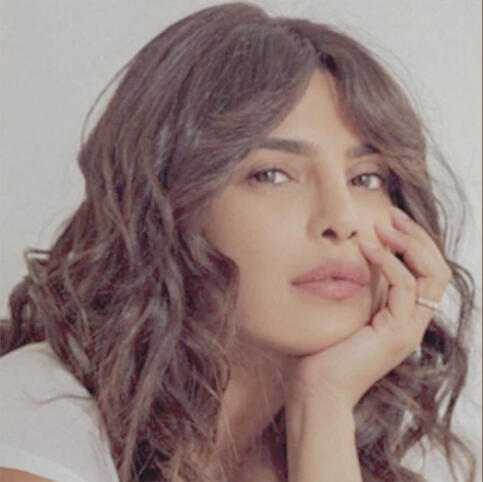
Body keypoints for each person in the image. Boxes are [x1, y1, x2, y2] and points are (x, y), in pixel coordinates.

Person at [0, 2, 477, 481]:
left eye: (366, 178)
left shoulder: (357, 449)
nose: (341, 218)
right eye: (272, 175)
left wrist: (323, 403)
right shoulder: (35, 414)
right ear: (168, 203)